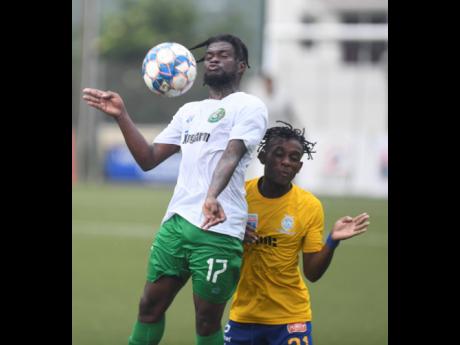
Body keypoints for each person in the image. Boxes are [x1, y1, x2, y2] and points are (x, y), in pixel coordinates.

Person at [82, 34, 268, 345]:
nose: (213, 58)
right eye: (209, 55)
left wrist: (211, 196)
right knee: (148, 307)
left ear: (241, 66)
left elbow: (232, 153)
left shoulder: (249, 105)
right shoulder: (189, 111)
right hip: (177, 225)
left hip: (218, 230)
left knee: (207, 321)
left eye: (223, 54)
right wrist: (122, 116)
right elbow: (148, 159)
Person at [224, 121, 370, 345]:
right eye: (279, 154)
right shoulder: (239, 195)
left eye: (294, 158)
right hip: (244, 316)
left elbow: (312, 273)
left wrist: (332, 241)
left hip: (290, 317)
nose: (286, 162)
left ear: (299, 167)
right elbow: (215, 246)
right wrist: (233, 233)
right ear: (262, 157)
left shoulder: (309, 206)